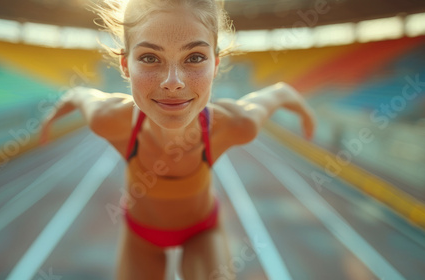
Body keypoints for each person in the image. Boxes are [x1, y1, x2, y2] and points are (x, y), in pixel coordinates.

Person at [40, 0, 316, 279]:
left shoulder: (235, 124)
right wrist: (50, 118)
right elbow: (77, 95)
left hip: (202, 232)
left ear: (216, 64)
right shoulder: (108, 119)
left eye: (194, 57)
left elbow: (279, 92)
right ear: (125, 65)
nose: (173, 83)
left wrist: (306, 114)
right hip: (141, 236)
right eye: (150, 57)